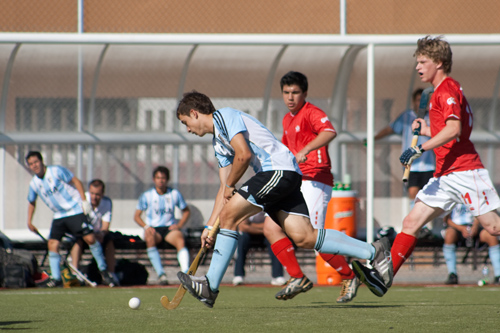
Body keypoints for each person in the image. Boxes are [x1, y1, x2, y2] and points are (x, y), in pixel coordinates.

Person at [175, 91, 391, 308]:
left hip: (277, 170)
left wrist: (230, 189)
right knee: (304, 236)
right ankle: (374, 251)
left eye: (186, 123)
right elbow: (224, 189)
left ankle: (210, 286)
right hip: (285, 174)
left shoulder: (224, 116)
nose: (188, 129)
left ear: (194, 113)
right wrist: (210, 225)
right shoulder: (219, 143)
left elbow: (243, 156)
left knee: (230, 216)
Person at [352, 35, 500, 297]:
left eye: (423, 61)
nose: (418, 67)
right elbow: (449, 128)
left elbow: (455, 130)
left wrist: (421, 146)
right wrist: (427, 128)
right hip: (444, 175)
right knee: (410, 222)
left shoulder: (447, 89)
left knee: (493, 227)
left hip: (465, 170)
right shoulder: (438, 93)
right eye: (417, 62)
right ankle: (383, 278)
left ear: (439, 62)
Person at [264, 71, 360, 303]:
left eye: (295, 92)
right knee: (270, 227)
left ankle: (350, 274)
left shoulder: (312, 112)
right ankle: (297, 277)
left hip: (316, 181)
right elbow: (287, 154)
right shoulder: (288, 119)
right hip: (296, 182)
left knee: (313, 238)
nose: (290, 97)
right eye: (286, 92)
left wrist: (307, 149)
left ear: (304, 93)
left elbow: (329, 132)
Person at [25, 151, 116, 287]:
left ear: (42, 161)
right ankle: (56, 279)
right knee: (52, 244)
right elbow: (32, 201)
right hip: (59, 215)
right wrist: (29, 221)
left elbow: (75, 180)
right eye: (31, 164)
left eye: (36, 162)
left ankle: (104, 271)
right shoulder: (34, 184)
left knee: (90, 239)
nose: (34, 166)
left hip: (74, 210)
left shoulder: (56, 171)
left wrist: (84, 201)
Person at [134, 166, 191, 285]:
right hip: (154, 229)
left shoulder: (174, 194)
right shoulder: (147, 195)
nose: (161, 181)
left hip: (169, 229)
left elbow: (186, 211)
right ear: (154, 179)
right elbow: (137, 216)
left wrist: (179, 225)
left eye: (163, 178)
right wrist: (146, 227)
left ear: (167, 179)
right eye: (158, 178)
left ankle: (186, 273)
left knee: (180, 238)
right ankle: (161, 274)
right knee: (149, 237)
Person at [70, 179, 117, 284]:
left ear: (102, 194)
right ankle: (75, 273)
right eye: (92, 193)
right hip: (84, 234)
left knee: (110, 240)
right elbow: (79, 225)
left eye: (97, 194)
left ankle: (111, 274)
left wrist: (101, 233)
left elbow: (105, 226)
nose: (94, 197)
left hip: (98, 236)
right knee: (78, 241)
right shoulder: (82, 201)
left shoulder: (107, 202)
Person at [443, 204, 500, 285]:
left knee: (491, 237)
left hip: (474, 227)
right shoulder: (452, 196)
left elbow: (480, 214)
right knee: (449, 235)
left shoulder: (473, 195)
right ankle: (452, 274)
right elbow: (447, 219)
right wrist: (461, 228)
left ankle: (498, 275)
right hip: (457, 228)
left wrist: (475, 226)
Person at [233, 211, 285, 286]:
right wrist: (264, 228)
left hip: (266, 235)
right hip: (250, 235)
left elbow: (273, 226)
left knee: (274, 239)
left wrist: (251, 226)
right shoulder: (245, 205)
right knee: (242, 238)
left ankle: (278, 275)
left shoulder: (268, 205)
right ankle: (238, 275)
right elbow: (242, 227)